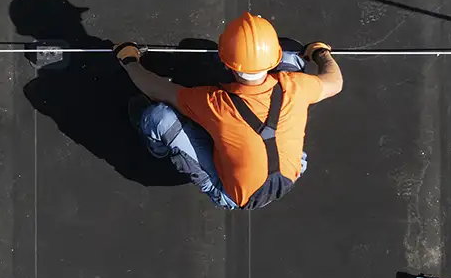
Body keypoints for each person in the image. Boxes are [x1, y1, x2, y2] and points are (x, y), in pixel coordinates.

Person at [115, 12, 343, 209]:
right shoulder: (297, 86)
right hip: (287, 176)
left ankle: (158, 149)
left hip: (235, 195)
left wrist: (129, 60)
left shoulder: (213, 103)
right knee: (292, 56)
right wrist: (320, 53)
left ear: (226, 62)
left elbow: (155, 88)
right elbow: (334, 82)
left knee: (158, 118)